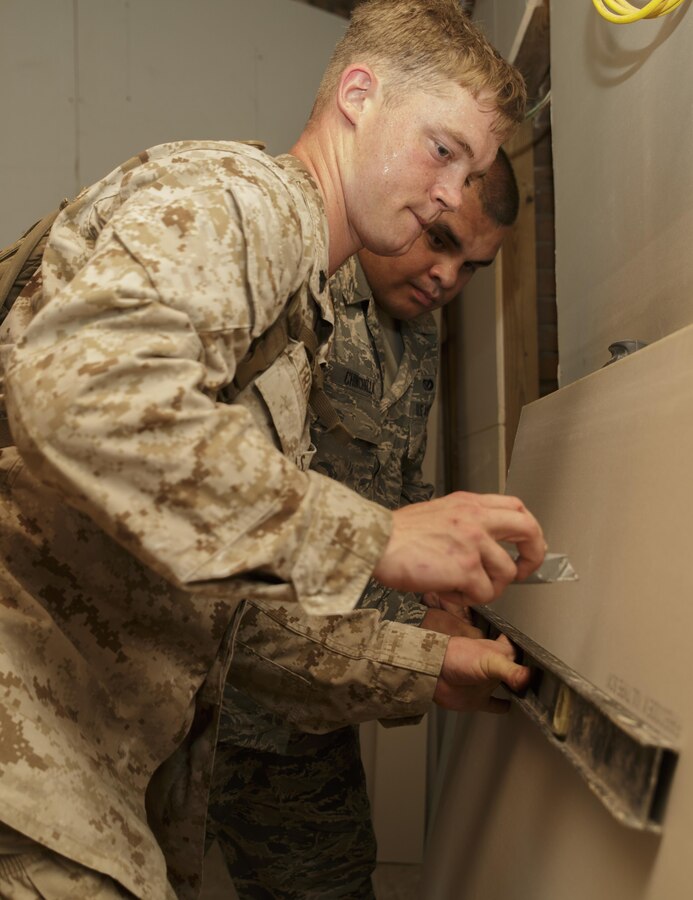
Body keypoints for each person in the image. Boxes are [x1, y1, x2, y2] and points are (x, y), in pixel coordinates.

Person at [0, 2, 543, 898]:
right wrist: (377, 536)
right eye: (441, 149)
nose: (452, 193)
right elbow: (83, 393)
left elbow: (223, 611)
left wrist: (426, 664)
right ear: (357, 97)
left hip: (79, 774)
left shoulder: (301, 313)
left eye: (472, 167)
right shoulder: (246, 200)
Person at [207, 149, 519, 900]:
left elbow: (393, 498)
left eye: (473, 264)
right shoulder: (293, 287)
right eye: (440, 240)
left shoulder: (412, 333)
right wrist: (418, 643)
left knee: (335, 883)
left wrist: (432, 603)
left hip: (314, 695)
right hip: (213, 679)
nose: (448, 277)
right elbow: (246, 522)